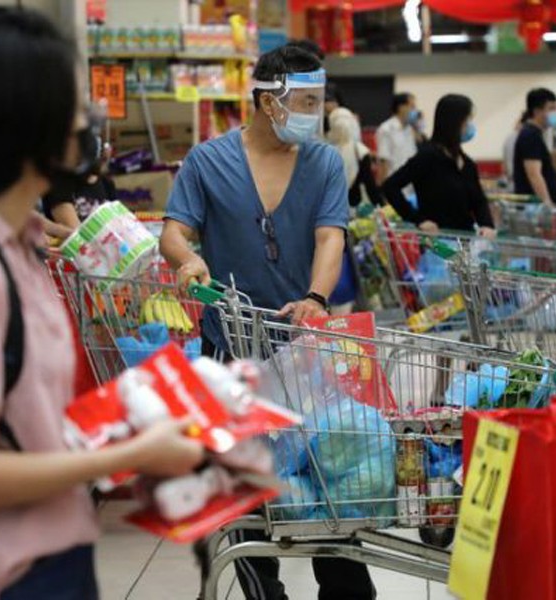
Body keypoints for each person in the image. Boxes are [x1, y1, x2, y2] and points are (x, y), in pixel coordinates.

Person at [0, 9, 204, 599]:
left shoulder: (15, 253)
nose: (84, 123)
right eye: (71, 106)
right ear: (25, 128)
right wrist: (124, 455)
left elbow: (18, 425)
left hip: (47, 553)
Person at [159, 45, 375, 600]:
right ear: (267, 98)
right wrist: (189, 260)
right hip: (230, 346)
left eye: (318, 100)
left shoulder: (324, 161)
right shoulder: (208, 161)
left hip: (303, 354)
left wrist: (315, 297)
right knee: (249, 490)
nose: (315, 112)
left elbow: (331, 235)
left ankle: (346, 588)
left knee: (328, 480)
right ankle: (264, 592)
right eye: (304, 100)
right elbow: (173, 232)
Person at [383, 94, 496, 238]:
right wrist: (417, 219)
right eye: (467, 120)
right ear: (454, 122)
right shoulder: (428, 156)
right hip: (436, 245)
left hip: (466, 242)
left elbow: (479, 200)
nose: (470, 126)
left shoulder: (467, 164)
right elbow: (390, 186)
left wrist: (487, 225)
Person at [514, 88, 556, 207]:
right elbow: (534, 174)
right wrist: (547, 204)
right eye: (551, 109)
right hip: (534, 209)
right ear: (536, 111)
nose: (555, 113)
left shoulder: (536, 134)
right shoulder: (530, 136)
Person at [328, 107, 382, 207]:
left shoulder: (325, 149)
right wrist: (382, 206)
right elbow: (369, 185)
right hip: (354, 206)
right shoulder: (360, 150)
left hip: (330, 205)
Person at [375, 92, 419, 181]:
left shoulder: (410, 129)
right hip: (393, 183)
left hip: (410, 185)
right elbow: (383, 161)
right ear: (401, 107)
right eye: (412, 106)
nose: (415, 110)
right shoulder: (386, 129)